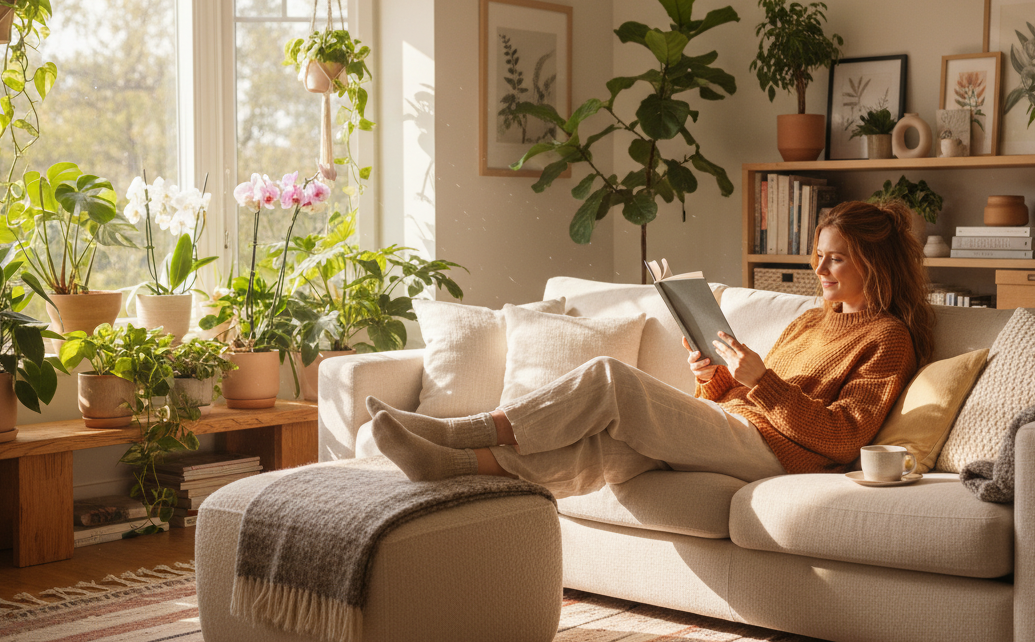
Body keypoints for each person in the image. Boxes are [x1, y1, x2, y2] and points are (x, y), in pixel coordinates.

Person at [370, 200, 935, 498]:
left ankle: (459, 430)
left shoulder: (888, 339)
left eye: (833, 257)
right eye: (818, 254)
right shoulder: (814, 319)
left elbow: (842, 437)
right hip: (737, 426)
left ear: (873, 263)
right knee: (608, 455)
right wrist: (714, 376)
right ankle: (450, 464)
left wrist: (759, 380)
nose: (818, 267)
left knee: (610, 380)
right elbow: (744, 392)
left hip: (779, 455)